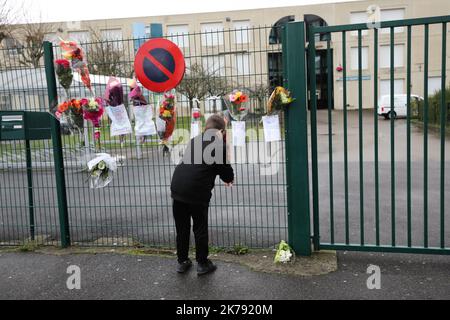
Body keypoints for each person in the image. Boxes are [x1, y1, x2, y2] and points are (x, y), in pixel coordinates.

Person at [171, 114, 234, 276]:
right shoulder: (219, 144)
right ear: (221, 131)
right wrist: (228, 179)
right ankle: (202, 263)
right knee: (200, 227)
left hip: (178, 187)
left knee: (182, 227)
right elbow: (224, 168)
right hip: (196, 190)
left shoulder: (195, 140)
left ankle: (182, 261)